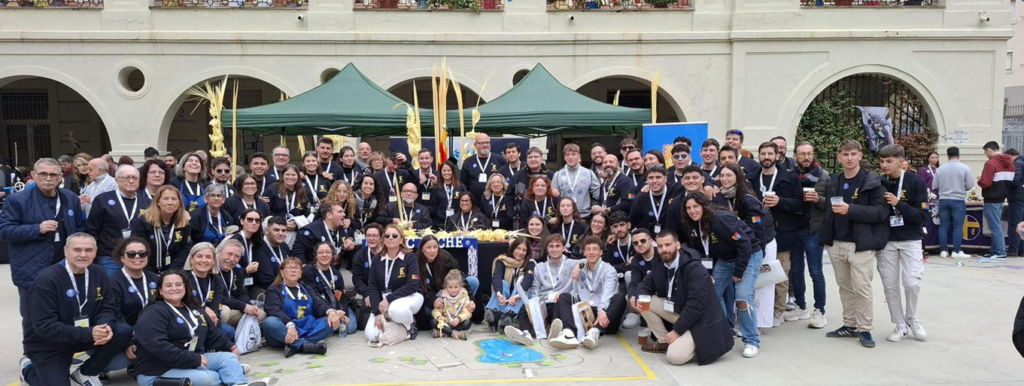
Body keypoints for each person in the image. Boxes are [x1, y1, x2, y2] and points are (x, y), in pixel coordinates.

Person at [19, 233, 132, 386]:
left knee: (123, 331)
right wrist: (88, 333)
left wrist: (103, 326)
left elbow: (107, 306)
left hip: (83, 335)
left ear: (96, 251)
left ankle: (86, 372)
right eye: (77, 250)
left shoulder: (98, 273)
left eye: (88, 250)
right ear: (66, 251)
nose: (83, 255)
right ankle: (27, 369)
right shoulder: (47, 280)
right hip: (50, 344)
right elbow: (44, 326)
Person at [133, 270, 267, 386]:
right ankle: (230, 372)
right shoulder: (153, 312)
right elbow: (159, 346)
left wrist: (230, 346)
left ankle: (237, 382)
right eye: (168, 285)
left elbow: (211, 333)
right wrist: (193, 359)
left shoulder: (192, 307)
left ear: (185, 287)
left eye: (179, 284)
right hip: (157, 370)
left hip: (188, 360)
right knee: (208, 378)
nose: (174, 288)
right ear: (161, 291)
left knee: (228, 358)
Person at [1, 158, 87, 337]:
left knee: (64, 312)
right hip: (31, 269)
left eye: (53, 174)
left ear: (60, 177)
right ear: (33, 175)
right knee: (33, 315)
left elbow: (80, 227)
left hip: (64, 267)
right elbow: (5, 230)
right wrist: (37, 229)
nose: (48, 178)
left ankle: (62, 353)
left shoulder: (69, 198)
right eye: (43, 174)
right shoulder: (18, 200)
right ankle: (31, 358)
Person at [821, 139, 890, 348]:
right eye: (845, 154)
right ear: (839, 157)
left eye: (853, 154)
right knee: (844, 287)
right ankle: (850, 325)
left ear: (860, 155)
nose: (849, 158)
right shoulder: (834, 180)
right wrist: (826, 238)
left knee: (862, 288)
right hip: (836, 242)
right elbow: (827, 210)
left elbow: (880, 212)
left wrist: (850, 209)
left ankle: (865, 328)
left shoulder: (872, 181)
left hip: (861, 244)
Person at [679, 192, 763, 358]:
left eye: (695, 206)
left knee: (742, 297)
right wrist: (707, 274)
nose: (692, 211)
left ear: (704, 205)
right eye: (688, 208)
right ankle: (723, 332)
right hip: (725, 259)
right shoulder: (692, 225)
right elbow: (702, 251)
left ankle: (751, 341)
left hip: (748, 256)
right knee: (711, 294)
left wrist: (739, 270)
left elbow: (744, 243)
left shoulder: (721, 219)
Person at [633, 231, 733, 366]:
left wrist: (676, 331)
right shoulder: (660, 264)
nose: (664, 250)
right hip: (680, 311)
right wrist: (638, 298)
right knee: (641, 302)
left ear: (678, 245)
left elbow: (695, 306)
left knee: (674, 357)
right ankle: (664, 342)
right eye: (661, 246)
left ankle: (697, 342)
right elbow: (644, 285)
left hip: (702, 321)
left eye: (668, 245)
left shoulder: (694, 268)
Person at [876, 144, 930, 343]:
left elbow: (923, 215)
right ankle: (899, 324)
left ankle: (911, 317)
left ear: (901, 161)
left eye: (888, 161)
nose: (884, 165)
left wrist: (899, 204)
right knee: (890, 285)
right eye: (881, 161)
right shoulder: (879, 182)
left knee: (911, 282)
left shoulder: (916, 182)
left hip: (910, 239)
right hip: (886, 241)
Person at [713, 163, 776, 330]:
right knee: (719, 291)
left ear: (737, 178)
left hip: (757, 246)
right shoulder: (722, 196)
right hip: (736, 249)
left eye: (729, 176)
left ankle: (755, 329)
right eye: (722, 175)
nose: (725, 179)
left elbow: (759, 229)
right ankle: (728, 325)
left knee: (750, 291)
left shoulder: (747, 199)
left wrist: (757, 255)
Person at [750, 142, 802, 327]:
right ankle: (758, 311)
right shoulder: (751, 178)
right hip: (757, 234)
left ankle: (778, 312)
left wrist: (780, 201)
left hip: (782, 233)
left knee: (779, 275)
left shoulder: (790, 177)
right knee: (758, 275)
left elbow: (799, 204)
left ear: (777, 155)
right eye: (763, 153)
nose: (766, 157)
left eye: (769, 153)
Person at [97, 237, 159, 375]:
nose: (137, 257)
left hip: (150, 332)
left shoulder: (155, 279)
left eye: (142, 253)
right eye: (131, 254)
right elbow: (115, 316)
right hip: (124, 334)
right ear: (122, 258)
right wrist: (129, 343)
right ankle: (97, 368)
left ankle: (142, 364)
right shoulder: (113, 282)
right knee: (119, 362)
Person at [785, 141, 830, 328]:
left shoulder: (824, 176)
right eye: (802, 154)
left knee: (816, 271)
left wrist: (819, 199)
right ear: (795, 156)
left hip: (813, 230)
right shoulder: (789, 176)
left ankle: (819, 310)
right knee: (795, 271)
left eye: (809, 153)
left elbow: (832, 205)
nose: (806, 157)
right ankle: (800, 305)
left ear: (813, 155)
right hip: (795, 229)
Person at [263, 256, 342, 357]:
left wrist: (331, 312)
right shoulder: (274, 289)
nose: (293, 270)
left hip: (306, 328)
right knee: (270, 322)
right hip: (285, 330)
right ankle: (304, 345)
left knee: (331, 321)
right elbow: (274, 310)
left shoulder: (306, 288)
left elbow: (319, 304)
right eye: (289, 268)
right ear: (282, 273)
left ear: (300, 273)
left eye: (296, 268)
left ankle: (295, 346)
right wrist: (290, 325)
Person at [555, 235, 624, 349]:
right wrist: (563, 298)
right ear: (584, 253)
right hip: (585, 314)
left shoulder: (609, 270)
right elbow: (574, 291)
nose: (591, 252)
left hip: (605, 317)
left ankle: (595, 332)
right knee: (564, 296)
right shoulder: (580, 268)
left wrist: (602, 310)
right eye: (588, 249)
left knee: (619, 298)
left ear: (601, 252)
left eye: (595, 249)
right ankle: (568, 333)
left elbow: (608, 293)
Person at [86, 165, 150, 275]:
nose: (131, 181)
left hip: (138, 257)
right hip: (109, 258)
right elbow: (92, 229)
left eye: (135, 178)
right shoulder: (103, 200)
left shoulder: (147, 202)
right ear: (116, 180)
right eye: (126, 177)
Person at [365, 224, 424, 343]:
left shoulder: (410, 257)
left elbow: (412, 285)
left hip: (411, 296)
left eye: (394, 235)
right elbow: (373, 287)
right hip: (385, 302)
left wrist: (388, 299)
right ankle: (400, 327)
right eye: (387, 235)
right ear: (383, 239)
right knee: (371, 335)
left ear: (401, 239)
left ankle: (410, 324)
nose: (390, 238)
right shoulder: (377, 259)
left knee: (396, 310)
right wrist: (377, 313)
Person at [528, 235, 582, 348]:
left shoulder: (571, 263)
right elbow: (535, 289)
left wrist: (579, 265)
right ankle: (525, 332)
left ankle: (560, 330)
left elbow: (589, 260)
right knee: (527, 305)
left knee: (561, 299)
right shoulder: (539, 267)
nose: (554, 249)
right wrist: (536, 304)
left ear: (564, 248)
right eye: (551, 246)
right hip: (546, 304)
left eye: (558, 246)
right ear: (547, 249)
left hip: (562, 304)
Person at [416, 235, 479, 327]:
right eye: (428, 247)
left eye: (435, 247)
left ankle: (461, 314)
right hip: (431, 298)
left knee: (473, 281)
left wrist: (471, 299)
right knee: (426, 314)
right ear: (422, 249)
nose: (432, 250)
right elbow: (417, 287)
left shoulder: (445, 258)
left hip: (450, 292)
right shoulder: (416, 261)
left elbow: (459, 277)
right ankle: (444, 321)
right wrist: (432, 299)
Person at [131, 185, 193, 272]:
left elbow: (184, 249)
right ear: (158, 202)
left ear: (179, 203)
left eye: (174, 199)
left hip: (173, 271)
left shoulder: (184, 222)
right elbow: (138, 249)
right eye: (166, 198)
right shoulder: (143, 221)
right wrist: (150, 274)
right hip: (146, 271)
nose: (170, 202)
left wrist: (172, 272)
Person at [302, 242, 358, 337]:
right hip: (320, 307)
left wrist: (343, 313)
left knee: (350, 327)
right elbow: (315, 295)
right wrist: (331, 312)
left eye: (328, 252)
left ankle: (332, 325)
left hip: (337, 306)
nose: (324, 255)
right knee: (334, 324)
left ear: (333, 255)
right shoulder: (309, 270)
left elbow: (342, 296)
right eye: (320, 252)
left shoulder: (336, 273)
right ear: (316, 255)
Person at [183, 243, 237, 338]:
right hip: (187, 318)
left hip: (208, 319)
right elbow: (183, 304)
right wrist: (204, 309)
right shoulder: (182, 278)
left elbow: (215, 308)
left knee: (229, 332)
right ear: (191, 259)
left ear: (213, 261)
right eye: (199, 256)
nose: (204, 260)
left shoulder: (216, 280)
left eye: (208, 257)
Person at [490, 238, 537, 340]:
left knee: (521, 288)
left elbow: (528, 280)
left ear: (527, 252)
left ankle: (508, 315)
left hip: (517, 297)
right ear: (512, 248)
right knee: (502, 283)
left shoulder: (530, 263)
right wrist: (499, 293)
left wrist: (517, 296)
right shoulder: (502, 261)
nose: (520, 252)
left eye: (524, 250)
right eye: (518, 248)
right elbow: (496, 276)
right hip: (505, 295)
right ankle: (494, 315)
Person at [933, 146, 974, 259]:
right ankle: (956, 251)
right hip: (958, 199)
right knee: (957, 226)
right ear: (959, 155)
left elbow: (935, 185)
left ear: (947, 156)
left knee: (943, 225)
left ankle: (943, 251)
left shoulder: (940, 169)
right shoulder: (965, 168)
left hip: (944, 199)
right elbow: (969, 185)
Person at [215, 239, 265, 329]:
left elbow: (241, 292)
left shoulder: (237, 270)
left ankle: (243, 339)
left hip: (234, 307)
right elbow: (217, 297)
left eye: (237, 256)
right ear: (219, 252)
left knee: (260, 315)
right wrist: (243, 306)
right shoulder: (211, 270)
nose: (232, 259)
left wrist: (248, 306)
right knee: (224, 312)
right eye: (229, 254)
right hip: (217, 308)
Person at [977, 141, 1014, 258]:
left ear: (989, 150)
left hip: (991, 197)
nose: (986, 155)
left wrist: (979, 180)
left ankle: (1000, 251)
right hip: (1002, 197)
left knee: (994, 226)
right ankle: (994, 249)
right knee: (996, 224)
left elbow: (986, 182)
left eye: (985, 152)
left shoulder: (990, 163)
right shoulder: (1010, 163)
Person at [511, 147, 556, 229]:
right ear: (526, 160)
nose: (533, 159)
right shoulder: (518, 175)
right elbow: (509, 195)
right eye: (530, 157)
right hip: (522, 216)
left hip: (547, 217)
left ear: (542, 159)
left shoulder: (551, 175)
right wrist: (511, 214)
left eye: (536, 157)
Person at [629, 165, 681, 235]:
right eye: (651, 178)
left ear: (665, 179)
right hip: (651, 240)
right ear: (646, 180)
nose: (654, 181)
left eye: (658, 177)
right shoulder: (640, 198)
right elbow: (632, 221)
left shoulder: (676, 189)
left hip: (674, 237)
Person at [555, 144, 601, 219]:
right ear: (564, 157)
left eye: (573, 154)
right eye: (567, 155)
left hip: (585, 216)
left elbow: (598, 194)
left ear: (579, 156)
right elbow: (554, 198)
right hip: (565, 217)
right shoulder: (557, 175)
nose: (570, 157)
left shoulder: (589, 173)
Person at [461, 133, 507, 204]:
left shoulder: (500, 159)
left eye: (487, 142)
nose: (485, 145)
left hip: (496, 203)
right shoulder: (468, 162)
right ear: (475, 145)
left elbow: (506, 181)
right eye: (481, 143)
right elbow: (463, 184)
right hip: (474, 203)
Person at [351, 223, 383, 322]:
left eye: (375, 236)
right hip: (367, 290)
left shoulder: (389, 253)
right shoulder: (360, 255)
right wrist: (367, 294)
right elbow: (357, 278)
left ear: (381, 237)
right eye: (369, 235)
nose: (371, 238)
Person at [431, 270, 473, 340]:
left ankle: (444, 332)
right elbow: (436, 310)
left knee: (467, 323)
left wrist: (459, 318)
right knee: (432, 321)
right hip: (445, 321)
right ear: (446, 286)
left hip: (457, 322)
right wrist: (439, 317)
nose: (453, 290)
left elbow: (467, 312)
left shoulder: (464, 296)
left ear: (461, 286)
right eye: (450, 287)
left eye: (456, 287)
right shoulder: (442, 295)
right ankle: (456, 333)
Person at [252, 216, 288, 293]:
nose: (281, 233)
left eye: (284, 230)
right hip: (266, 290)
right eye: (276, 230)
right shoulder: (259, 248)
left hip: (285, 286)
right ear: (267, 231)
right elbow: (265, 280)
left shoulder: (284, 245)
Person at [1007, 148, 1024, 257]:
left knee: (1015, 224)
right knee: (1022, 224)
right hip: (1022, 196)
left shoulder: (1017, 164)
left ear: (1010, 155)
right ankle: (1022, 249)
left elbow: (1015, 181)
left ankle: (1013, 249)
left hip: (1017, 197)